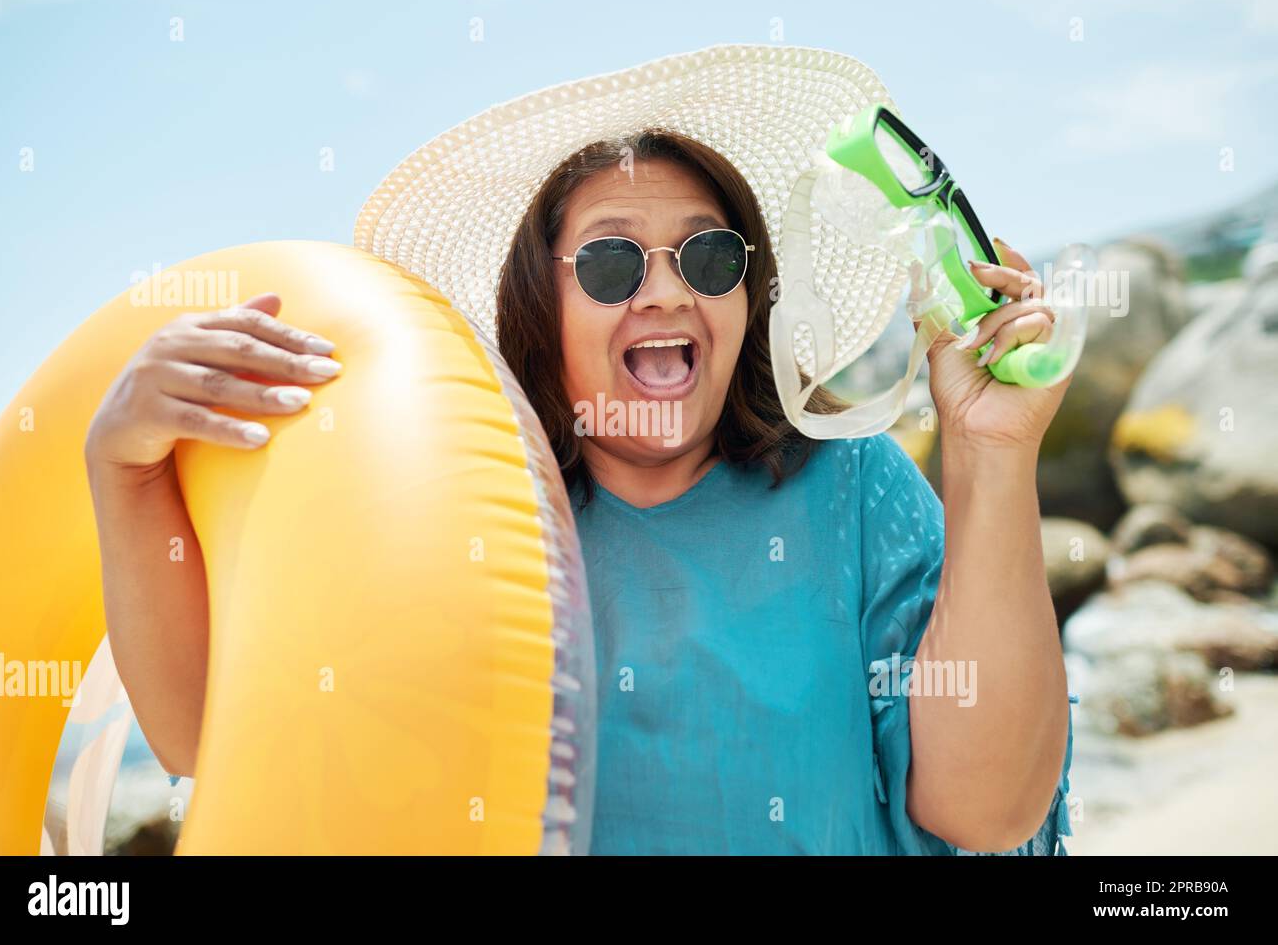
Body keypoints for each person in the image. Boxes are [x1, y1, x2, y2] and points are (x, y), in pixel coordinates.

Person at [86, 45, 1074, 854]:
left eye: (709, 255)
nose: (665, 292)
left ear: (748, 294)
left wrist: (990, 455)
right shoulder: (466, 528)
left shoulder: (850, 489)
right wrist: (124, 473)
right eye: (608, 262)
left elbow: (984, 811)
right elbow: (211, 738)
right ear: (539, 316)